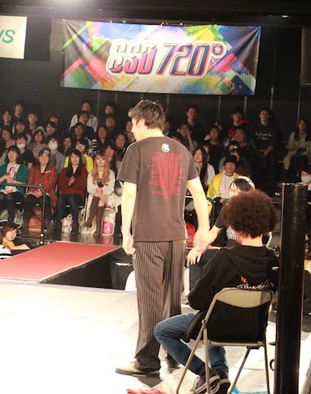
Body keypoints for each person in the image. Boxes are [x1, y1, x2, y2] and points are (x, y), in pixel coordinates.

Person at [115, 100, 210, 377]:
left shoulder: (136, 150)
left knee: (150, 300)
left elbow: (129, 194)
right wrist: (203, 229)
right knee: (172, 298)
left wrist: (125, 230)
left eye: (133, 123)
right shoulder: (181, 150)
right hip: (176, 237)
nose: (131, 129)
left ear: (143, 121)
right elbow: (200, 194)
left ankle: (147, 361)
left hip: (149, 235)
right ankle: (173, 350)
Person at [155, 190, 279, 394]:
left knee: (162, 330)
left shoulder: (225, 259)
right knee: (215, 315)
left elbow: (196, 301)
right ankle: (221, 375)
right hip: (253, 330)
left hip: (217, 326)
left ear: (236, 226)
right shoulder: (273, 262)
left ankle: (206, 373)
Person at [0, 145, 28, 224]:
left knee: (9, 196)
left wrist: (13, 181)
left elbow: (24, 183)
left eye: (14, 153)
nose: (11, 155)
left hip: (17, 191)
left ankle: (10, 219)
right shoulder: (3, 167)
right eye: (9, 153)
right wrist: (4, 177)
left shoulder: (23, 167)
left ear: (17, 155)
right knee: (0, 196)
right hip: (4, 190)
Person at [55, 149, 88, 233]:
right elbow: (61, 185)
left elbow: (83, 185)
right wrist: (69, 183)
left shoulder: (83, 171)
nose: (75, 159)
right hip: (65, 193)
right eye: (73, 157)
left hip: (77, 194)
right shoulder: (64, 170)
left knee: (72, 198)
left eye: (77, 157)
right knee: (60, 199)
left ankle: (75, 224)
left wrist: (74, 182)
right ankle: (58, 223)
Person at [83, 152, 115, 237]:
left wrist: (102, 191)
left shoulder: (111, 173)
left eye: (103, 159)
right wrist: (96, 190)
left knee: (99, 197)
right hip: (95, 196)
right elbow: (89, 188)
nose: (100, 161)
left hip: (108, 197)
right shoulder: (91, 173)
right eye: (98, 159)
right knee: (100, 201)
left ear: (106, 161)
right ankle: (98, 230)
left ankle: (90, 219)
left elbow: (111, 189)